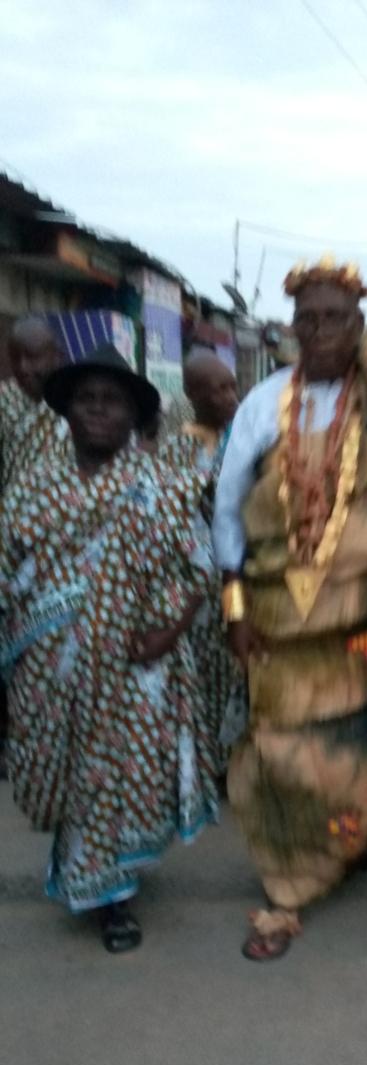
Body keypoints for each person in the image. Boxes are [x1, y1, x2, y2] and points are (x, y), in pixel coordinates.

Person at [212, 256, 367, 960]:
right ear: (292, 328)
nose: (322, 330)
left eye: (336, 318)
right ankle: (286, 891)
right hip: (281, 621)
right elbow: (228, 510)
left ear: (358, 327)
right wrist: (235, 609)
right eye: (309, 319)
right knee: (282, 752)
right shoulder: (263, 404)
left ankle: (358, 846)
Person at [0, 344, 218, 952]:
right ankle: (91, 871)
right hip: (49, 667)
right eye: (86, 399)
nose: (98, 409)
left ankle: (110, 896)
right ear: (67, 411)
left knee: (117, 780)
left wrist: (168, 631)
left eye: (112, 400)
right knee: (68, 777)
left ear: (132, 416)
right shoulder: (31, 489)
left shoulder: (161, 488)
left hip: (135, 665)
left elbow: (198, 568)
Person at [161, 349, 244, 770]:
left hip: (239, 581)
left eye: (232, 386)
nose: (231, 397)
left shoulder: (248, 440)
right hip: (196, 589)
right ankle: (205, 764)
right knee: (201, 674)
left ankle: (233, 761)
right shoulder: (176, 451)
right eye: (219, 389)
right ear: (193, 394)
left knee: (238, 666)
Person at [0, 316, 68, 493]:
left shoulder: (77, 403)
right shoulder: (5, 398)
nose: (23, 367)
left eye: (33, 357)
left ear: (57, 357)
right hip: (12, 505)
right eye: (15, 358)